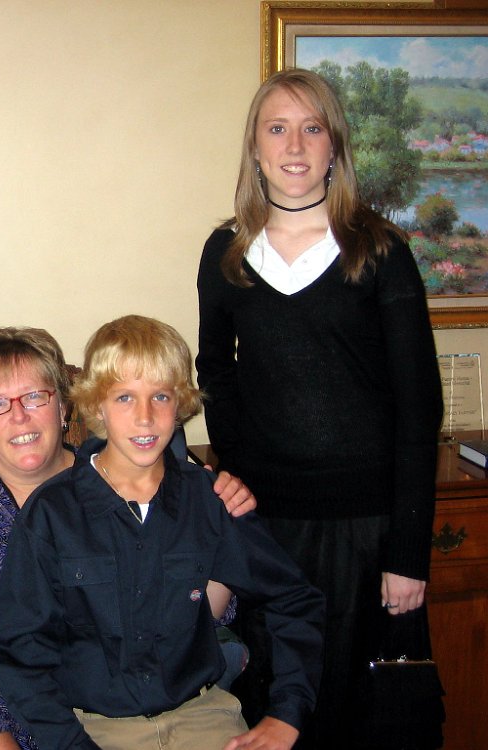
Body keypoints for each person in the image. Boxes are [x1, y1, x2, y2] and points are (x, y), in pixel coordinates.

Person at [196, 69, 443, 748]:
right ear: (255, 146)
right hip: (269, 526)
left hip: (367, 530)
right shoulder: (227, 254)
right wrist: (238, 477)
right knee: (272, 708)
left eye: (313, 128)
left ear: (335, 145)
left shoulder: (379, 251)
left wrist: (408, 553)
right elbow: (215, 372)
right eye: (277, 128)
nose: (295, 145)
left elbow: (419, 409)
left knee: (354, 717)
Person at [0, 326, 258, 750]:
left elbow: (198, 611)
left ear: (63, 407)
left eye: (35, 397)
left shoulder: (123, 480)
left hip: (117, 713)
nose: (19, 417)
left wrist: (215, 522)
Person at [0, 315, 324, 750]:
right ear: (97, 405)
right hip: (94, 729)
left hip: (203, 715)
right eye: (125, 397)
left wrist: (286, 714)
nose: (145, 417)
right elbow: (17, 649)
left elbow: (294, 598)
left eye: (160, 396)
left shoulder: (209, 500)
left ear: (180, 403)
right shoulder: (52, 513)